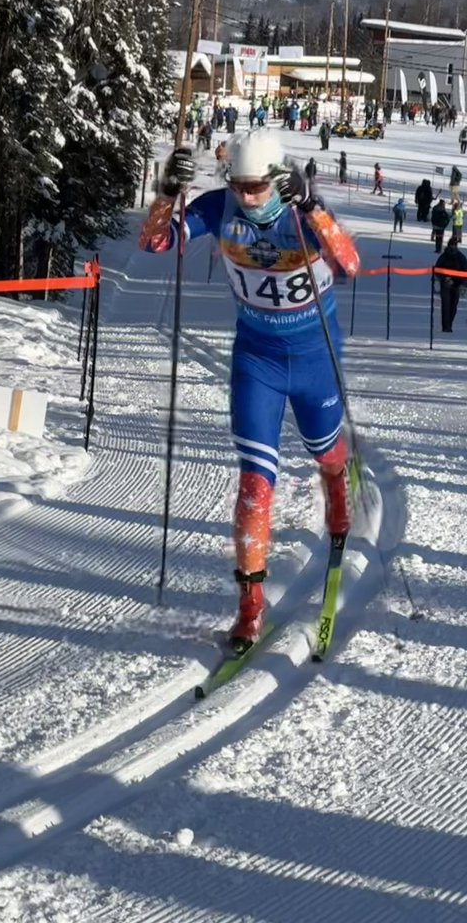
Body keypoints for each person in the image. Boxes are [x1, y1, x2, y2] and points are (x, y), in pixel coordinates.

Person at [139, 132, 360, 651]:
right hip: (257, 358)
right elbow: (155, 242)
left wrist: (312, 205)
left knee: (326, 451)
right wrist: (167, 194)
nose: (249, 196)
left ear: (279, 179)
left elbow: (348, 266)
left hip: (314, 358)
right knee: (255, 484)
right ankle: (250, 608)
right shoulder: (221, 209)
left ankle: (336, 488)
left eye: (259, 186)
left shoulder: (303, 212)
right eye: (239, 185)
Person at [435, 235, 467, 332]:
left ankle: (449, 324)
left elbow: (466, 271)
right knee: (445, 305)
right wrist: (444, 278)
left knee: (453, 306)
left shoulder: (461, 257)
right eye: (451, 245)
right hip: (446, 284)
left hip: (457, 284)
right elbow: (437, 269)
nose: (453, 247)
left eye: (454, 245)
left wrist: (462, 282)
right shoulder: (444, 256)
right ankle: (446, 326)